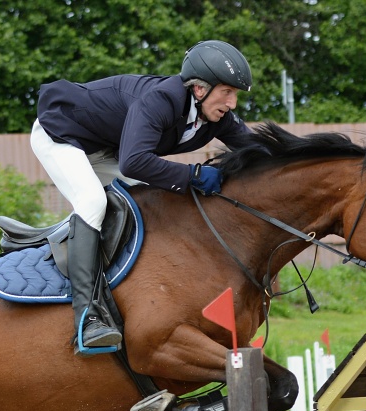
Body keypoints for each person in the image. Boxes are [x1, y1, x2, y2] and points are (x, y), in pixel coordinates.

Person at [31, 40, 253, 354]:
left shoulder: (215, 117)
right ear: (201, 89)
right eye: (227, 92)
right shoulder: (161, 101)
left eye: (235, 95)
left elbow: (259, 151)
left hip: (108, 151)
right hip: (62, 136)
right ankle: (87, 317)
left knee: (151, 204)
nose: (232, 103)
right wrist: (192, 175)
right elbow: (133, 163)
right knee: (93, 202)